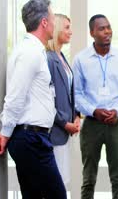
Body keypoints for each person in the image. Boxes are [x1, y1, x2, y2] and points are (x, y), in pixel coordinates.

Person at [0, 0, 67, 198]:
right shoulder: (30, 52)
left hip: (32, 137)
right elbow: (15, 97)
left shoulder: (33, 50)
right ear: (44, 23)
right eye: (52, 17)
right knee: (57, 195)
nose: (55, 24)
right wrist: (5, 134)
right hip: (31, 139)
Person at [73, 14, 118, 199]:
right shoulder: (81, 59)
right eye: (102, 28)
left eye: (109, 27)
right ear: (92, 32)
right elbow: (77, 94)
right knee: (88, 178)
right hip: (92, 124)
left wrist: (117, 111)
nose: (107, 31)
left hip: (116, 123)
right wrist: (94, 111)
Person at [46, 13, 81, 187]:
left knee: (61, 182)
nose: (71, 32)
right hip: (55, 132)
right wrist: (64, 123)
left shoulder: (62, 57)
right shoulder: (48, 59)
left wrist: (75, 116)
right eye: (67, 27)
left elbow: (67, 94)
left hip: (65, 131)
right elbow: (47, 100)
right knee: (55, 185)